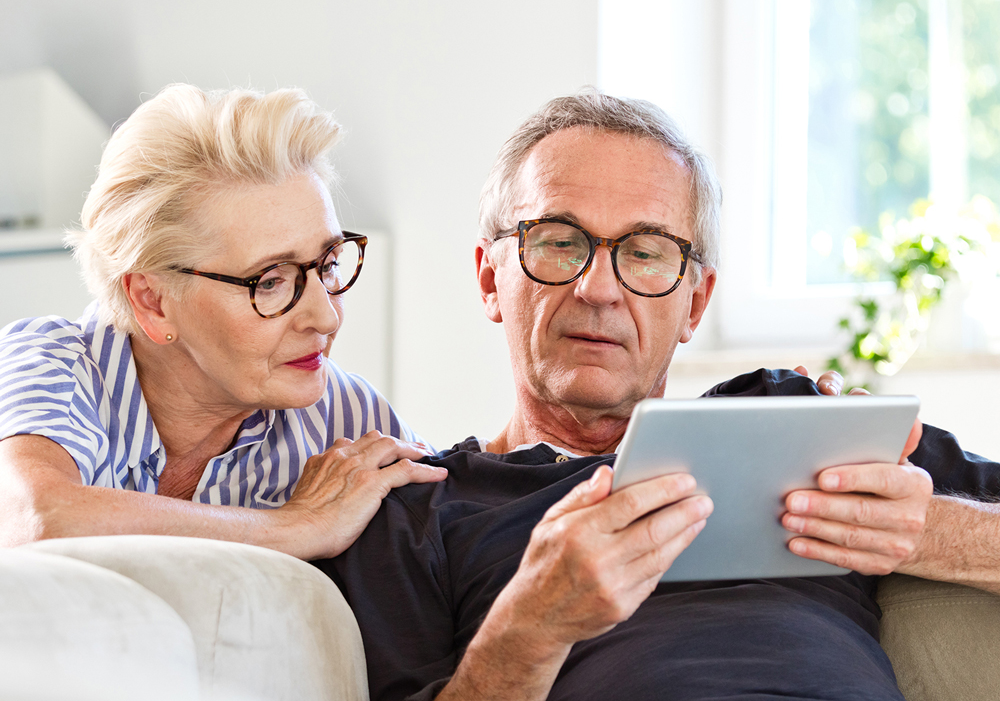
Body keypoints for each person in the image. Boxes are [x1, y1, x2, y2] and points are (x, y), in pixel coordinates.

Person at [318, 91, 1000, 701]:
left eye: (645, 253)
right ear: (491, 281)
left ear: (696, 302)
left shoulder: (791, 418)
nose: (598, 288)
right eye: (559, 243)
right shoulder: (417, 508)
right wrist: (528, 631)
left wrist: (928, 532)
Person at [0, 84, 446, 560]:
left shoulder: (348, 418)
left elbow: (460, 528)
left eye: (330, 263)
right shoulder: (49, 365)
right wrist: (293, 529)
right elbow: (37, 519)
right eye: (271, 282)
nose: (326, 316)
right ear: (153, 301)